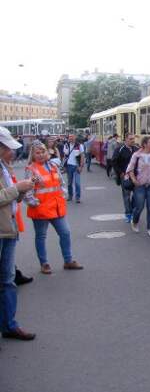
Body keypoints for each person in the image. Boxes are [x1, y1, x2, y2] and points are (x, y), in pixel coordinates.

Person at [0, 126, 36, 342]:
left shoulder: (5, 166)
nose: (12, 152)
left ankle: (9, 325)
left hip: (9, 229)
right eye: (8, 148)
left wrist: (21, 192)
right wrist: (17, 189)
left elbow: (10, 198)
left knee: (8, 280)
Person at [25, 141, 83, 274]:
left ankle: (68, 261)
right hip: (40, 210)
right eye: (37, 153)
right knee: (41, 236)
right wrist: (35, 203)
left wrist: (64, 194)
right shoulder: (31, 169)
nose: (40, 155)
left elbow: (61, 183)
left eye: (43, 152)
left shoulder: (53, 165)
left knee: (65, 233)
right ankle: (44, 264)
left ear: (47, 152)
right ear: (33, 155)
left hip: (56, 207)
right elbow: (27, 191)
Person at [127, 136, 150, 236]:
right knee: (139, 207)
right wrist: (134, 180)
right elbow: (130, 169)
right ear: (145, 144)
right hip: (140, 185)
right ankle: (134, 221)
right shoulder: (137, 155)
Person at [112, 133, 138, 223]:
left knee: (137, 196)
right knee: (126, 196)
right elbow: (114, 162)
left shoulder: (136, 149)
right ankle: (128, 214)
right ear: (126, 139)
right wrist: (120, 173)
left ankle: (133, 211)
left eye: (133, 139)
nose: (133, 141)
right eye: (131, 139)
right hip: (125, 177)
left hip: (135, 177)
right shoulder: (119, 149)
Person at [62, 134, 85, 203]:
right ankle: (70, 196)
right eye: (69, 137)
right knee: (69, 183)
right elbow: (65, 156)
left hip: (77, 166)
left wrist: (81, 166)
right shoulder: (66, 145)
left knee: (77, 183)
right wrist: (64, 166)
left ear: (75, 137)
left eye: (72, 137)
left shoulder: (79, 145)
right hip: (69, 166)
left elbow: (82, 155)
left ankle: (77, 197)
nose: (71, 138)